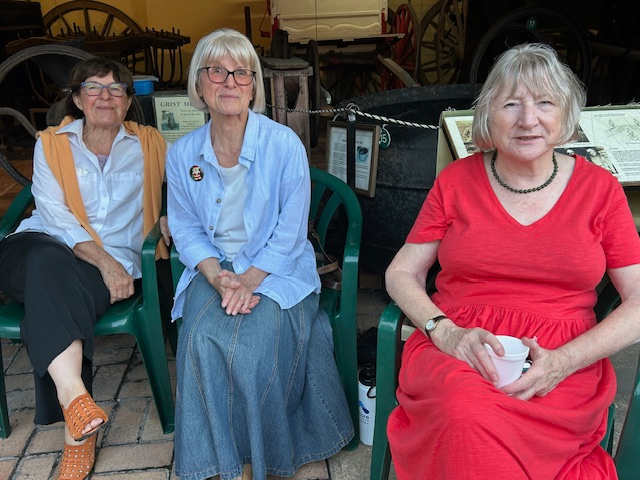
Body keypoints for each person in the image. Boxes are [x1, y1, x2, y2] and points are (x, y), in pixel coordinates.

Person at [385, 43, 640, 479]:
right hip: (463, 347)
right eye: (511, 104)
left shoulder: (600, 190)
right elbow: (401, 272)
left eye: (545, 103)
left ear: (566, 114)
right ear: (488, 115)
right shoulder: (456, 181)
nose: (528, 119)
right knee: (465, 415)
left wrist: (564, 361)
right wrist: (443, 331)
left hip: (562, 358)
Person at [167, 28, 353, 480]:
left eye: (241, 72)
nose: (230, 81)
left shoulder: (283, 144)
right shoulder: (182, 153)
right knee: (198, 339)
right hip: (214, 268)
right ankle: (219, 459)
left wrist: (249, 280)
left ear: (253, 86)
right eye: (217, 71)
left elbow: (291, 232)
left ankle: (257, 460)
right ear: (199, 85)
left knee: (252, 345)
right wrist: (217, 277)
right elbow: (185, 228)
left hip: (276, 268)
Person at [0, 57, 168, 480]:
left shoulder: (150, 145)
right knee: (47, 262)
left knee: (55, 291)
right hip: (37, 249)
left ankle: (77, 416)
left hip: (90, 273)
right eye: (93, 87)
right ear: (77, 98)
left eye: (116, 89)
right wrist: (107, 263)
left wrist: (174, 219)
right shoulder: (52, 144)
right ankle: (75, 406)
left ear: (128, 101)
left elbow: (188, 184)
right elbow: (56, 218)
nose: (105, 97)